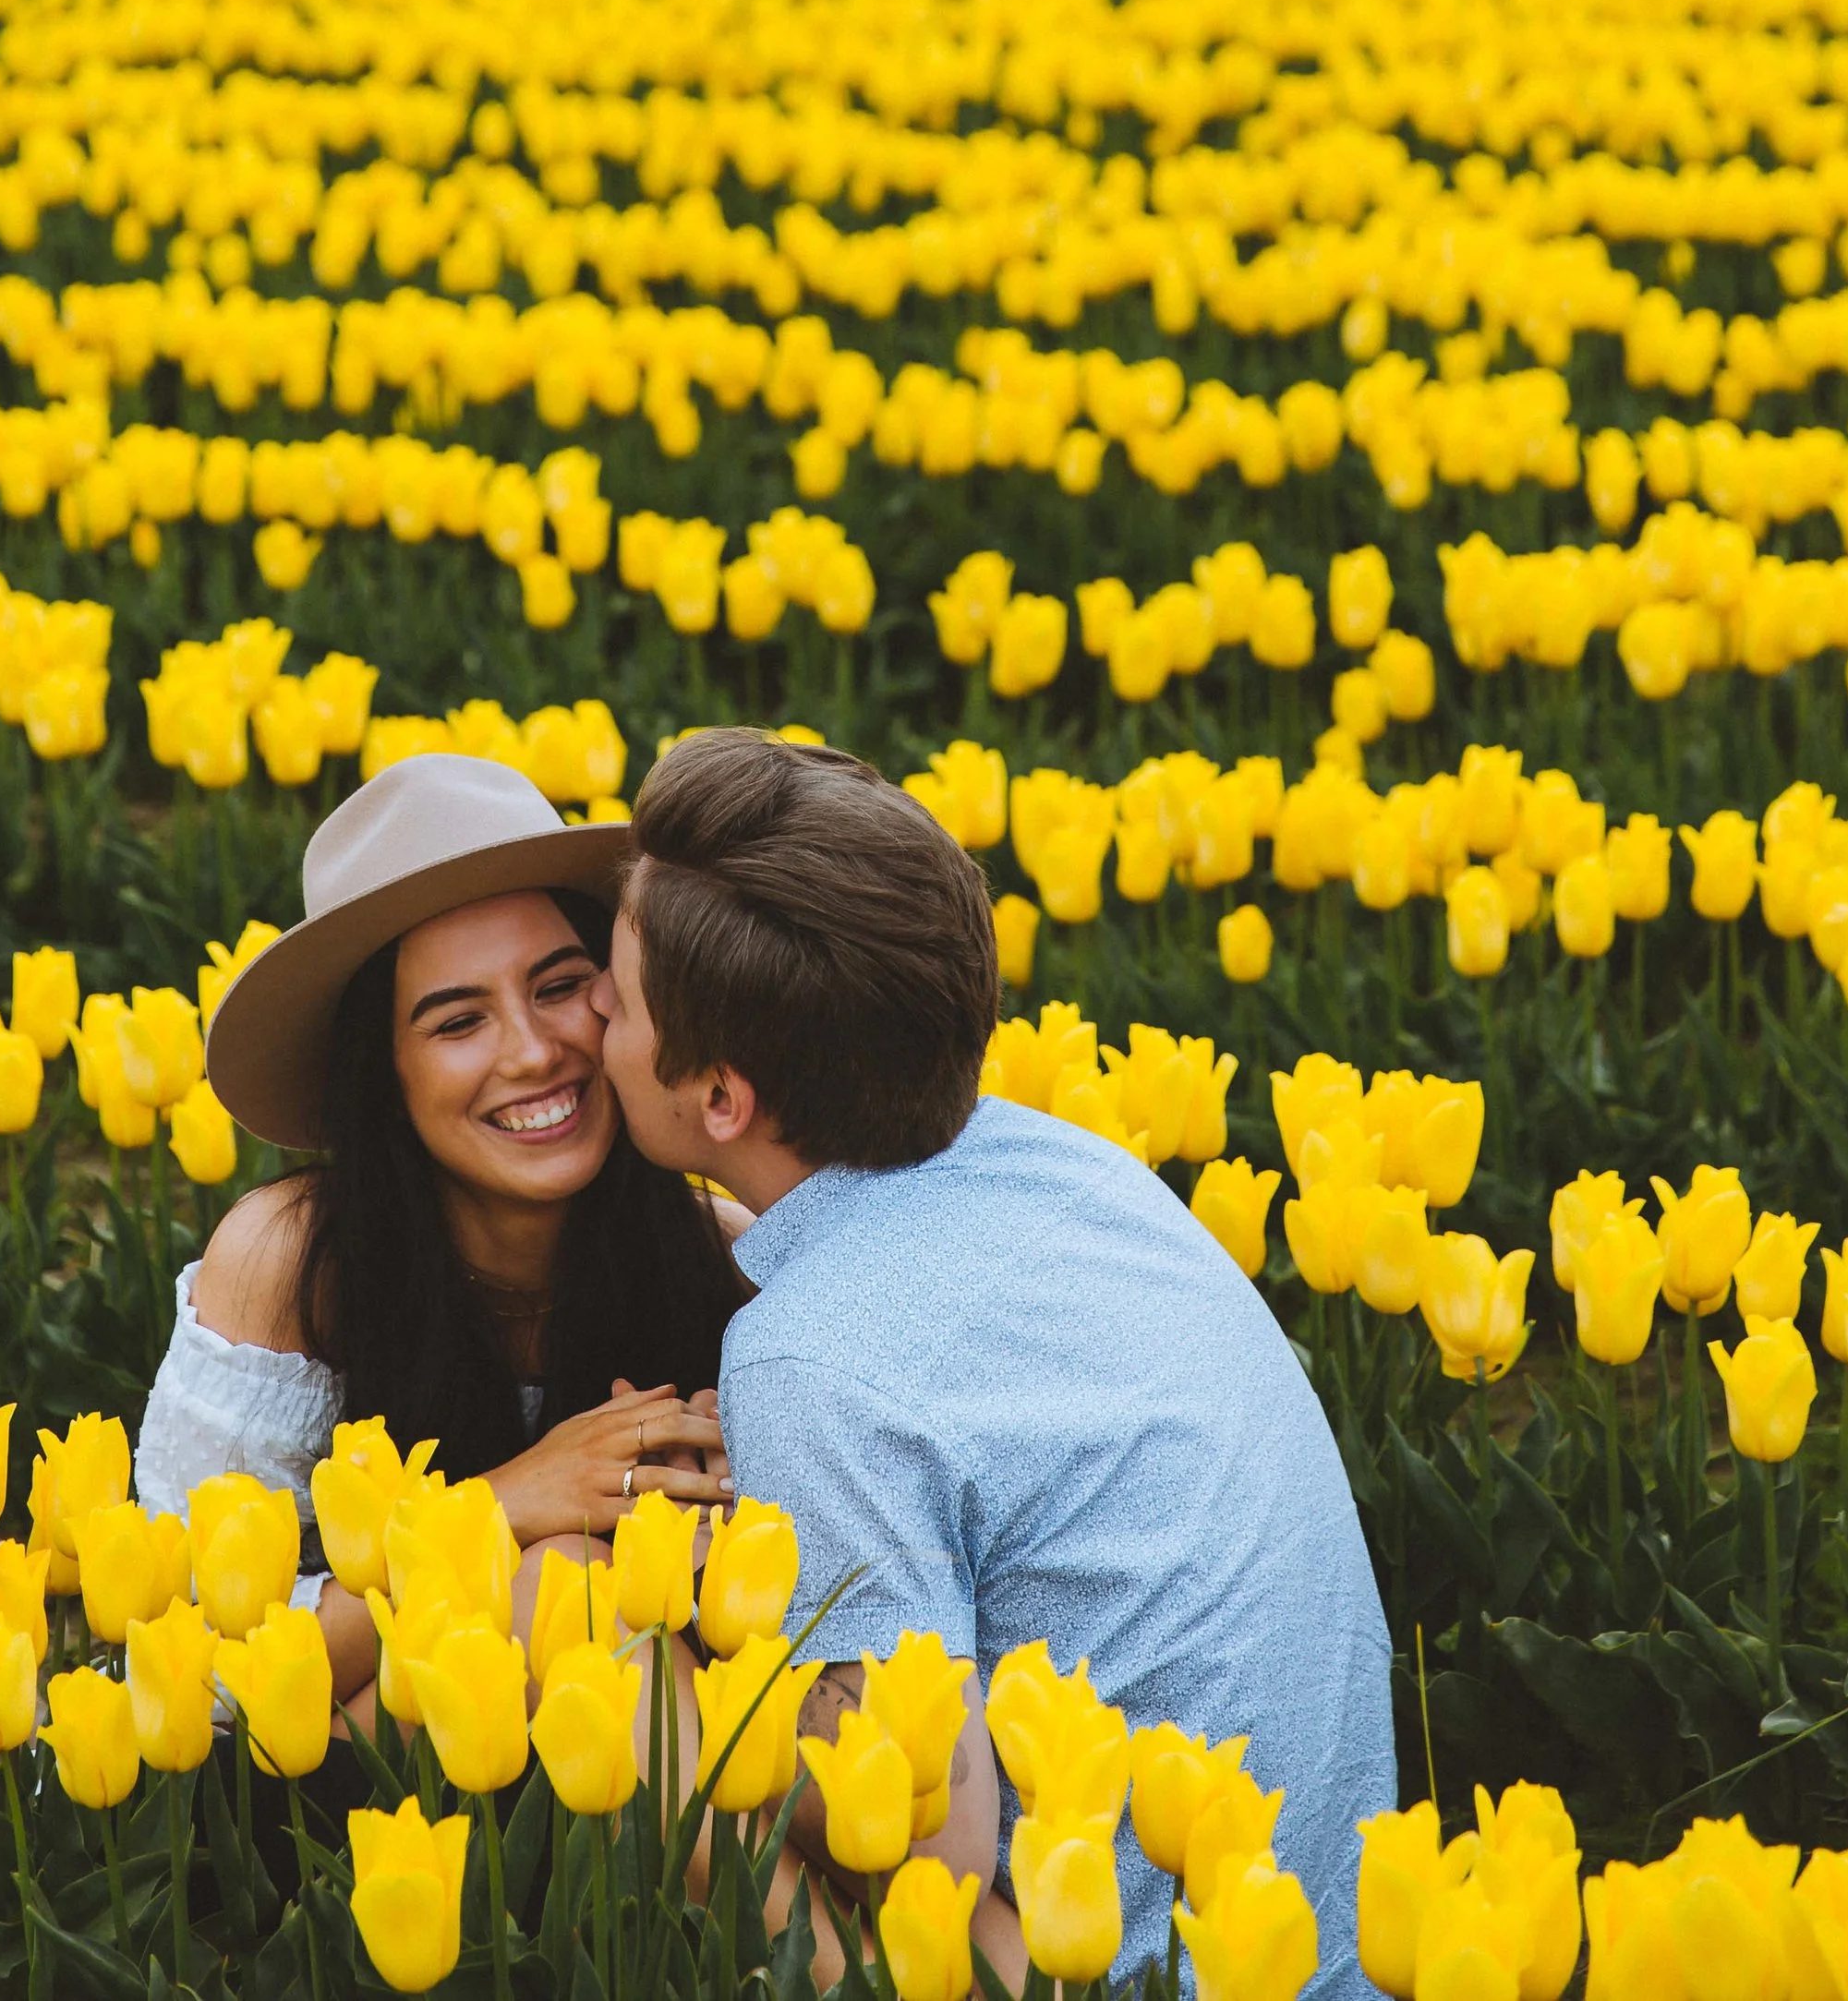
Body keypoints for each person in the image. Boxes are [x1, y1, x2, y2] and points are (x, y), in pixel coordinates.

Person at [590, 726, 1395, 1996]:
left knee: (578, 1616)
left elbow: (932, 1844)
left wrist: (698, 1610)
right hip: (1332, 1948)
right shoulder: (1060, 1163)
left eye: (619, 999)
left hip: (1122, 1970)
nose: (591, 1010)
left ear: (723, 1099)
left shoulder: (813, 1360)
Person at [171, 752, 745, 1718]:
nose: (531, 1052)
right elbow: (207, 1668)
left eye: (559, 986)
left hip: (626, 1766)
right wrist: (504, 1505)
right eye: (456, 1023)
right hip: (343, 1779)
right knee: (559, 1581)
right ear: (381, 1074)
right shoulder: (291, 1262)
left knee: (572, 1586)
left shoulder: (718, 1254)